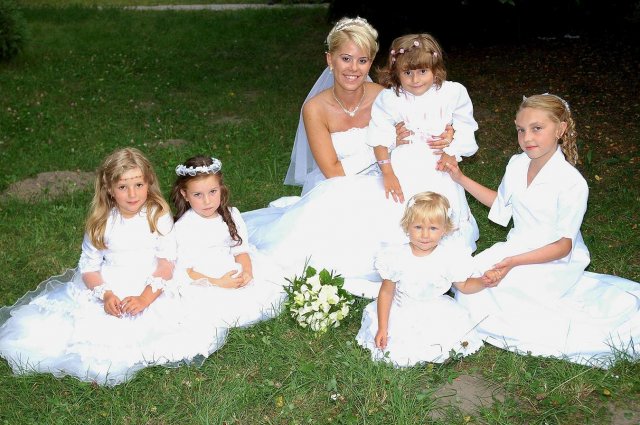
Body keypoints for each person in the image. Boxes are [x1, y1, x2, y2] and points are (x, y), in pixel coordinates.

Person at [243, 17, 471, 298]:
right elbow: (333, 172)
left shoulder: (385, 96)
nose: (353, 68)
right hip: (340, 184)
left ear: (371, 62)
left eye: (362, 61)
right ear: (330, 59)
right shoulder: (315, 108)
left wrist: (448, 134)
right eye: (346, 59)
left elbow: (424, 119)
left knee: (415, 209)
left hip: (390, 177)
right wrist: (385, 144)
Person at [0, 148, 228, 386]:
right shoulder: (101, 222)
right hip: (110, 283)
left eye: (138, 185)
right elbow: (89, 267)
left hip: (152, 284)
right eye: (122, 187)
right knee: (70, 335)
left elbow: (166, 263)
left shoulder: (158, 215)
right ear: (109, 188)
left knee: (168, 331)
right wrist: (105, 295)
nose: (132, 194)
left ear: (148, 183)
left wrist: (144, 298)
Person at [443, 94, 640, 367]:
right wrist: (460, 178)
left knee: (502, 297)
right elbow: (501, 205)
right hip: (516, 246)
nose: (527, 138)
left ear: (560, 129)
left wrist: (513, 262)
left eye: (537, 128)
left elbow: (563, 245)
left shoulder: (572, 183)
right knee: (470, 286)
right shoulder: (517, 164)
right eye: (521, 130)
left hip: (553, 258)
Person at [366, 32, 479, 249]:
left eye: (422, 71)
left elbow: (466, 125)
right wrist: (387, 173)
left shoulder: (452, 93)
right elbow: (378, 136)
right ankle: (404, 250)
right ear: (396, 72)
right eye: (407, 72)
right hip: (404, 165)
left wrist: (452, 151)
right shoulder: (389, 99)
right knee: (401, 207)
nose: (415, 80)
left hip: (438, 163)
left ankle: (444, 250)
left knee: (441, 205)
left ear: (435, 69)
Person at [356, 192, 485, 366]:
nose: (425, 235)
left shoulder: (449, 258)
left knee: (443, 337)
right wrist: (383, 327)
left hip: (437, 311)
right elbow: (386, 292)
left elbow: (464, 286)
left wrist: (483, 281)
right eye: (418, 227)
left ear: (444, 229)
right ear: (407, 226)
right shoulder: (396, 257)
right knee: (398, 346)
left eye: (433, 228)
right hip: (402, 310)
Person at [171, 155, 287, 328]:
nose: (207, 201)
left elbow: (240, 250)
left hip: (230, 266)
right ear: (185, 194)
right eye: (198, 195)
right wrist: (219, 283)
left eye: (213, 192)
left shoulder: (231, 215)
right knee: (216, 308)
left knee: (265, 290)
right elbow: (185, 271)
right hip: (204, 278)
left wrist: (247, 272)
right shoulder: (184, 227)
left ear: (221, 188)